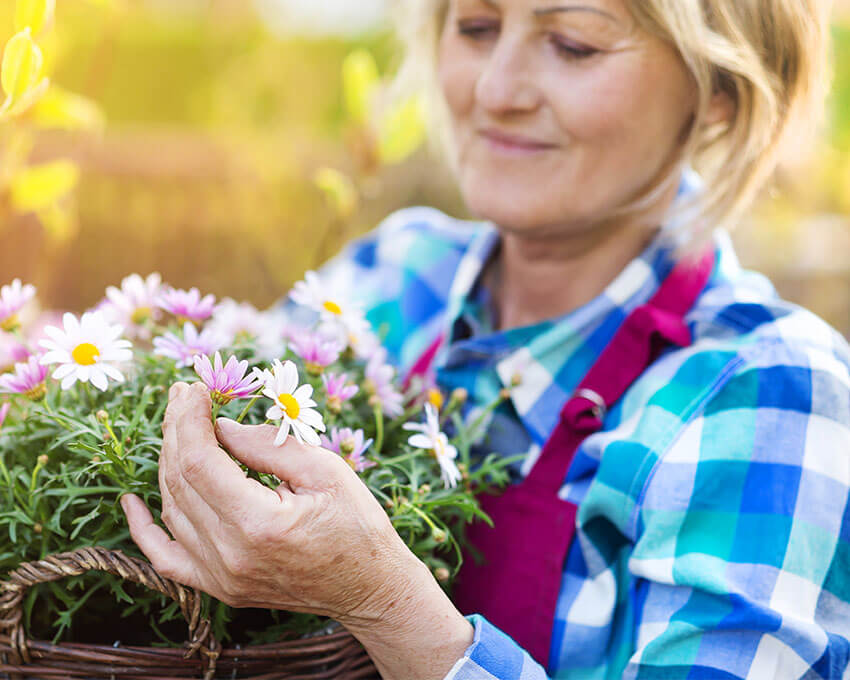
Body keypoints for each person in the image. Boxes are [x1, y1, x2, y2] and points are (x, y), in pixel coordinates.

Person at [120, 0, 850, 677]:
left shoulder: (770, 389)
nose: (497, 91)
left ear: (718, 90)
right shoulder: (390, 279)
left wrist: (383, 601)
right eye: (475, 27)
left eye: (573, 44)